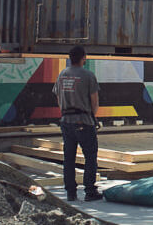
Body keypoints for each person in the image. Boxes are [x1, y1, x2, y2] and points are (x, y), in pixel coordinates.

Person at [53, 45, 102, 202]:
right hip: (84, 121)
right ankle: (89, 191)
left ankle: (71, 192)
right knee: (90, 156)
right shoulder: (88, 75)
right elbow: (95, 102)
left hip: (66, 121)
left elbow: (59, 100)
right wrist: (91, 118)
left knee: (69, 157)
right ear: (84, 58)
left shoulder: (62, 75)